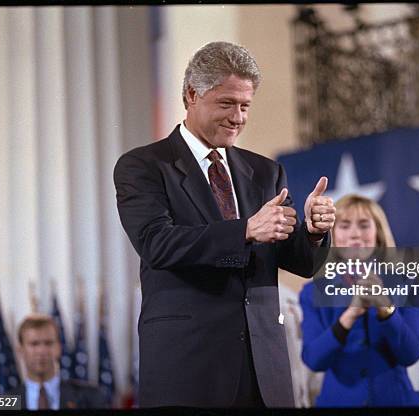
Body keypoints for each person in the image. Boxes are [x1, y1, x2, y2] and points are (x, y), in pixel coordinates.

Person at [113, 41, 335, 408]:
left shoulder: (266, 171)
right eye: (227, 104)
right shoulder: (144, 166)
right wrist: (245, 230)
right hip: (189, 368)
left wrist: (313, 230)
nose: (238, 117)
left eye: (245, 106)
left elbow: (303, 263)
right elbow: (157, 243)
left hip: (263, 371)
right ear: (191, 95)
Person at [299, 194, 419, 407]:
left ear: (378, 234)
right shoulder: (312, 292)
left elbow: (411, 354)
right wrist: (350, 314)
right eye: (345, 226)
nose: (355, 234)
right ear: (333, 235)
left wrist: (385, 306)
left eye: (364, 225)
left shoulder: (406, 283)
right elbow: (314, 359)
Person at [9, 313, 108, 409]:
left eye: (48, 343)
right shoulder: (4, 403)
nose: (41, 351)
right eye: (34, 344)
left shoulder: (91, 397)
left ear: (58, 348)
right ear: (20, 350)